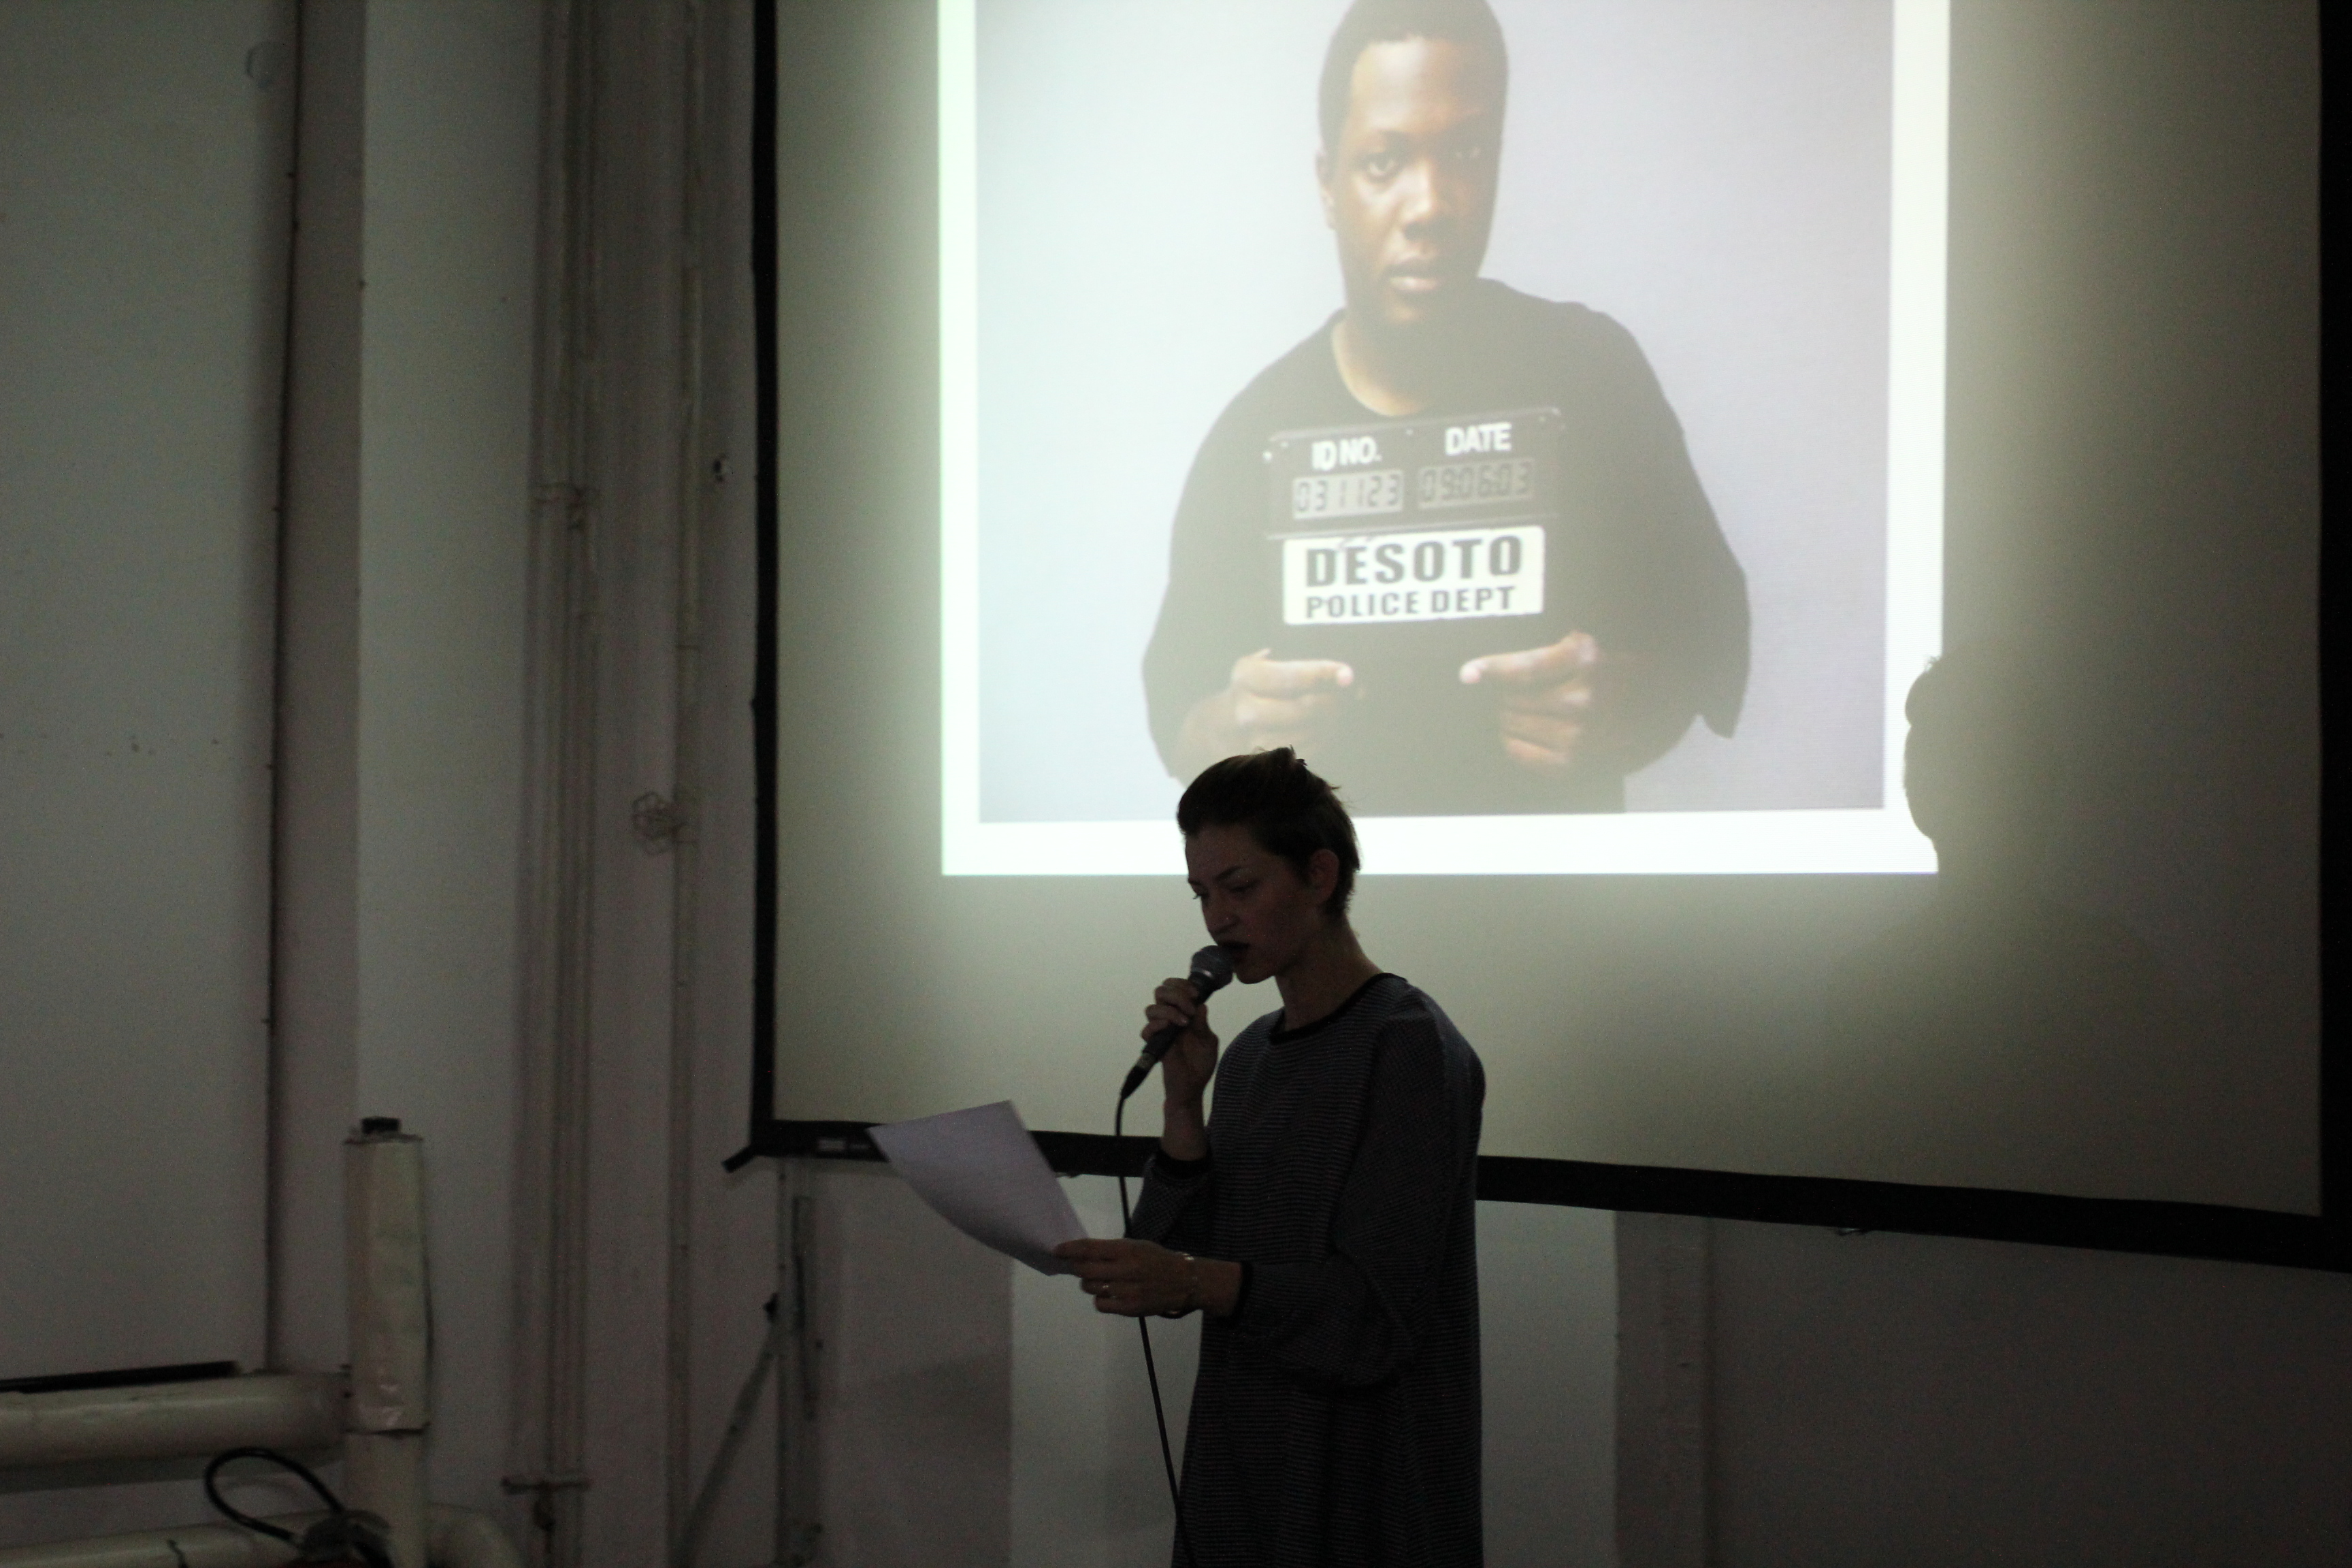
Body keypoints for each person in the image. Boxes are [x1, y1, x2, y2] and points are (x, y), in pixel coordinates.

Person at [1142, 0, 1749, 817]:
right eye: (1384, 161)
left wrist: (1624, 706)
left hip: (1553, 897)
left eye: (1465, 152)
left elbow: (1709, 646)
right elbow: (1177, 715)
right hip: (1335, 898)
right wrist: (1230, 731)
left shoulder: (1593, 375)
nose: (1430, 205)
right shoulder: (1255, 431)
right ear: (1328, 184)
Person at [1054, 749, 1486, 1567]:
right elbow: (1179, 1253)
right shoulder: (1250, 1055)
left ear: (1319, 876)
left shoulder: (1408, 1046)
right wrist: (1183, 1107)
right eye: (1202, 894)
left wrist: (1191, 1279)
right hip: (1243, 1459)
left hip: (1364, 1478)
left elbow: (1375, 1314)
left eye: (1241, 888)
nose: (1217, 920)